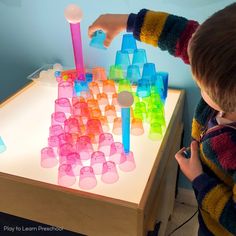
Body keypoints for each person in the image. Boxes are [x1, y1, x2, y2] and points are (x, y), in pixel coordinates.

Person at [88, 3, 236, 236]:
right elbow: (181, 35)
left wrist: (198, 179)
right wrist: (126, 21)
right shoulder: (223, 71)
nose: (195, 79)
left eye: (200, 84)